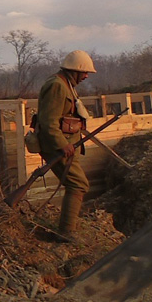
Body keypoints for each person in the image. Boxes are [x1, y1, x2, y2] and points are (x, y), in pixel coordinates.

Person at [36, 50, 95, 240]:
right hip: (56, 146)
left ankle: (67, 229)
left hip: (66, 145)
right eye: (84, 72)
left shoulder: (68, 85)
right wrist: (62, 144)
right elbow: (48, 122)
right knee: (78, 184)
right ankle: (67, 232)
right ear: (74, 70)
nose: (86, 76)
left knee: (77, 183)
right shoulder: (57, 86)